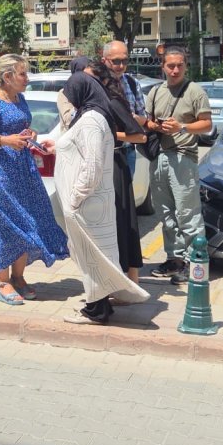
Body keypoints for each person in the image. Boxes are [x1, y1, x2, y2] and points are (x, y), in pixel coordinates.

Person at [0, 54, 69, 305]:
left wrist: (30, 134)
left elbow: (22, 127)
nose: (28, 78)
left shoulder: (20, 98)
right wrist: (5, 140)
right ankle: (2, 283)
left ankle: (19, 277)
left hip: (21, 170)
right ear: (8, 76)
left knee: (28, 219)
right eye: (23, 74)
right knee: (5, 225)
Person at [55, 71, 150, 325]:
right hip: (94, 200)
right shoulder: (95, 117)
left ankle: (95, 311)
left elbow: (93, 166)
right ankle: (99, 306)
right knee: (95, 255)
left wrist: (75, 198)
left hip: (88, 202)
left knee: (92, 255)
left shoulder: (90, 121)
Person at [144, 47, 213, 284]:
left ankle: (195, 264)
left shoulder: (195, 92)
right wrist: (155, 126)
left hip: (184, 157)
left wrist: (181, 127)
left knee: (188, 213)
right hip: (159, 157)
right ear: (163, 66)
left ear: (186, 66)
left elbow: (206, 125)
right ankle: (174, 260)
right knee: (166, 214)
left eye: (179, 65)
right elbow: (149, 121)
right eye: (170, 65)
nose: (175, 70)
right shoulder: (155, 91)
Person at [91, 60, 147, 283]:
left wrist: (111, 135)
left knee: (123, 222)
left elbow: (140, 135)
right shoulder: (99, 104)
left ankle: (130, 279)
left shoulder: (114, 103)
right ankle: (123, 278)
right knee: (113, 224)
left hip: (116, 163)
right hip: (105, 163)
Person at [102, 41, 146, 174]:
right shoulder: (95, 83)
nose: (121, 66)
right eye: (116, 61)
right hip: (102, 153)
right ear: (104, 60)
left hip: (127, 152)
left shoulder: (132, 83)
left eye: (125, 61)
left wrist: (133, 119)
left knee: (126, 194)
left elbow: (143, 119)